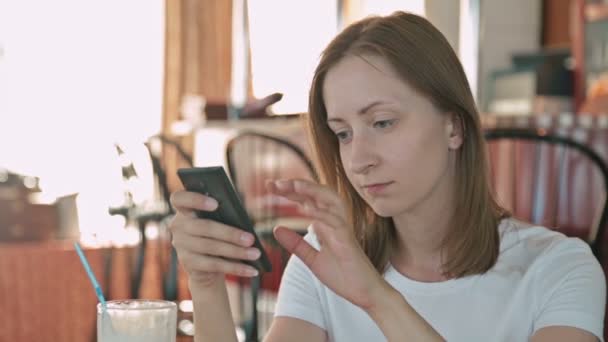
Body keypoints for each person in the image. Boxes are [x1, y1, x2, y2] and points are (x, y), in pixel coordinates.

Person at [169, 11, 606, 342]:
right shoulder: (323, 260)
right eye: (342, 133)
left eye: (382, 123)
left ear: (453, 126)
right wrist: (206, 289)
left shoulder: (557, 269)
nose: (358, 159)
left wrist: (377, 297)